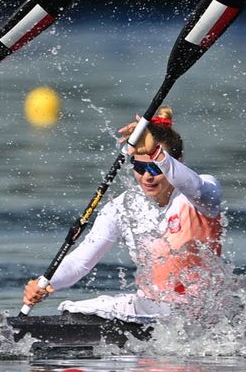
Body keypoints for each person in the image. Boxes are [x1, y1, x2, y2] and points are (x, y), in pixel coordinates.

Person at [22, 107, 223, 320]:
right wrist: (46, 282)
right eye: (138, 167)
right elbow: (81, 261)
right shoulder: (123, 206)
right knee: (71, 311)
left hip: (201, 313)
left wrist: (156, 151)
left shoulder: (202, 194)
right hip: (149, 309)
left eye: (156, 168)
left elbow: (196, 186)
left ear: (177, 161)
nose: (147, 177)